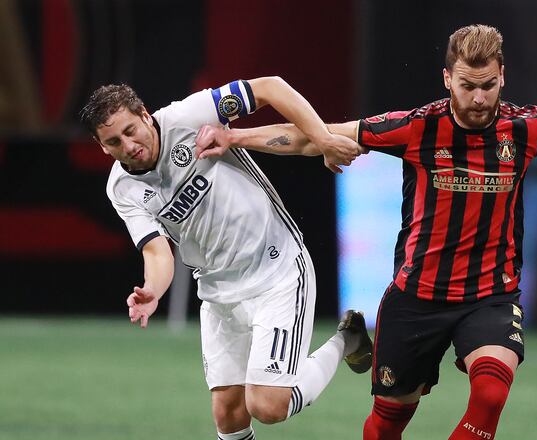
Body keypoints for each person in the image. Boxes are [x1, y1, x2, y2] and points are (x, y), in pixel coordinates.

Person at [194, 24, 537, 439]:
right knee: (387, 424)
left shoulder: (528, 128)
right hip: (416, 298)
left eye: (488, 85)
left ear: (503, 76)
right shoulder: (418, 127)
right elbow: (318, 137)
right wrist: (236, 137)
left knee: (490, 394)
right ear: (447, 79)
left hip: (490, 296)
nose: (479, 98)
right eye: (468, 85)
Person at [79, 76, 373, 440]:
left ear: (143, 114)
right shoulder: (122, 188)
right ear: (102, 147)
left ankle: (348, 340)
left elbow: (271, 87)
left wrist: (323, 139)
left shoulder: (188, 116)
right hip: (219, 293)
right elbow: (156, 250)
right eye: (113, 142)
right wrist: (153, 289)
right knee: (229, 416)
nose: (128, 145)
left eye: (130, 131)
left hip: (276, 272)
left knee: (267, 405)